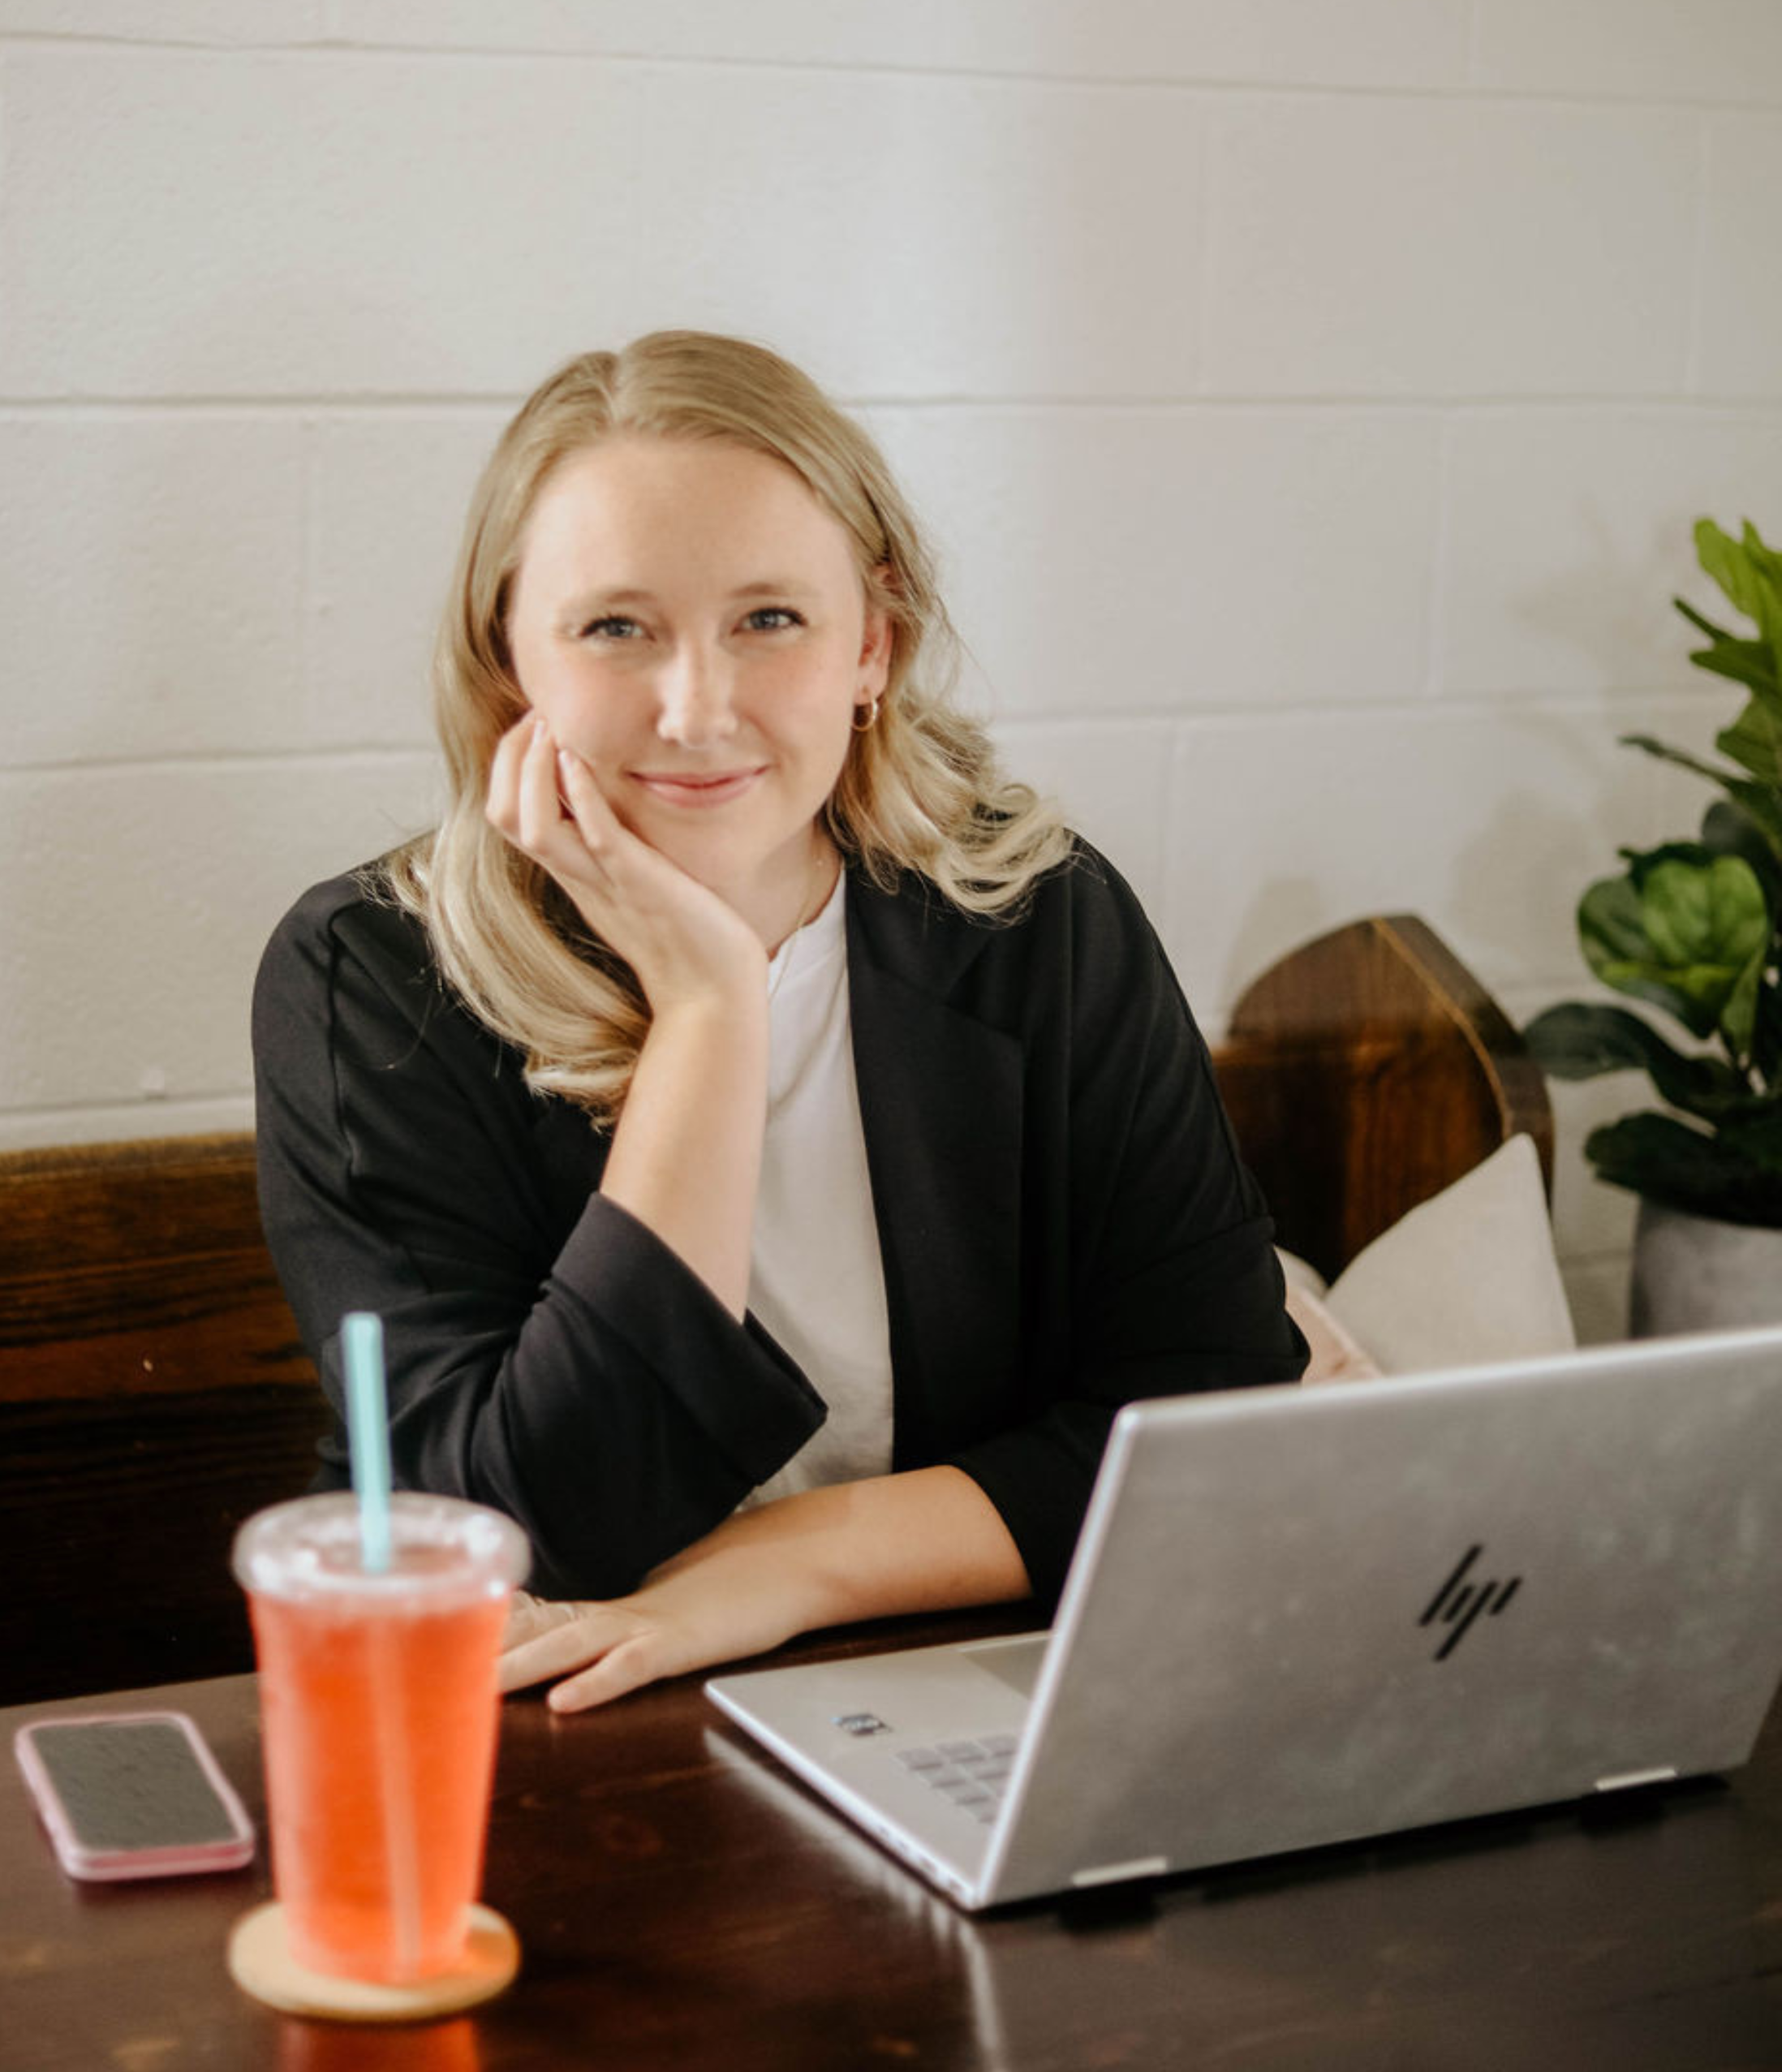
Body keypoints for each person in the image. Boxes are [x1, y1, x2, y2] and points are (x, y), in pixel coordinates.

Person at [252, 330, 1306, 1714]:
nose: (698, 709)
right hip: (540, 1729)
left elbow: (1211, 1415)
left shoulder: (1036, 917)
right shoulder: (370, 980)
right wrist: (705, 1007)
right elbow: (520, 1534)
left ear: (874, 644)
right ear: (509, 659)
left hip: (958, 1685)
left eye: (770, 619)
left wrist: (793, 1563)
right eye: (614, 626)